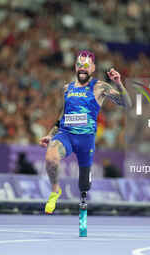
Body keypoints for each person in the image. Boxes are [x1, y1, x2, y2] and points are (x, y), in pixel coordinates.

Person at [39, 50, 132, 214]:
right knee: (51, 158)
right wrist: (50, 134)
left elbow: (127, 104)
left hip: (86, 141)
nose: (83, 69)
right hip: (65, 135)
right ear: (75, 67)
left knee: (84, 185)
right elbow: (63, 115)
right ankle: (55, 191)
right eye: (80, 65)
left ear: (93, 68)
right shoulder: (67, 88)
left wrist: (118, 83)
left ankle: (83, 191)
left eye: (86, 66)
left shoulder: (100, 87)